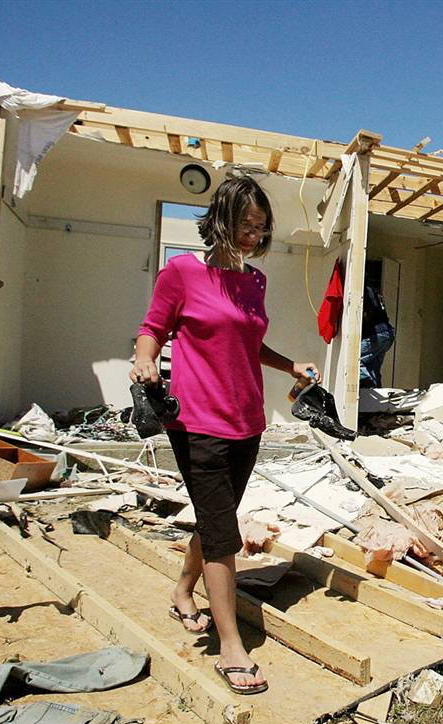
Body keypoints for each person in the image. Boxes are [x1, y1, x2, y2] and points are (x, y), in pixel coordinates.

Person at [130, 176, 318, 695]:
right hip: (197, 422)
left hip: (247, 421)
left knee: (218, 519)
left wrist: (290, 365)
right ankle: (231, 647)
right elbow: (153, 328)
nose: (253, 235)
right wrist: (145, 360)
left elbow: (249, 342)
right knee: (222, 532)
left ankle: (183, 591)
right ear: (220, 221)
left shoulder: (254, 281)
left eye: (260, 227)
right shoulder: (182, 273)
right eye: (244, 224)